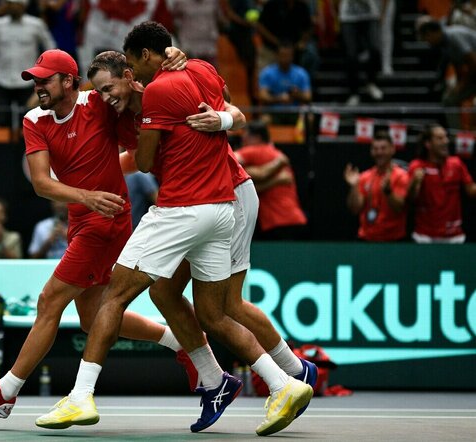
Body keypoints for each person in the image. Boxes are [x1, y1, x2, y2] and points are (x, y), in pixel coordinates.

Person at [35, 22, 313, 436]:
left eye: (117, 81)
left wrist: (219, 119)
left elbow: (214, 119)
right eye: (101, 92)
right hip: (213, 203)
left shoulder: (162, 90)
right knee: (178, 297)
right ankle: (243, 381)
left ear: (135, 69)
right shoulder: (158, 90)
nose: (106, 98)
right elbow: (146, 146)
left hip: (218, 195)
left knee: (204, 305)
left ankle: (294, 370)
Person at [0, 47, 193, 421]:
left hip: (108, 218)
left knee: (50, 301)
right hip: (82, 217)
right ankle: (182, 341)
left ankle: (6, 390)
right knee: (91, 318)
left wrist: (175, 60)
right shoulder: (34, 118)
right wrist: (86, 197)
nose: (38, 85)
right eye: (35, 80)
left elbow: (135, 98)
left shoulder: (97, 102)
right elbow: (41, 184)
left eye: (45, 79)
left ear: (68, 80)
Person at [0, 0, 55, 134]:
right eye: (10, 3)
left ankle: (25, 151)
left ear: (23, 6)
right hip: (2, 79)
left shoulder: (36, 24)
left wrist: (44, 70)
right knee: (3, 119)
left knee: (28, 119)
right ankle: (4, 152)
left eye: (16, 4)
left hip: (28, 80)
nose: (13, 7)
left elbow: (50, 46)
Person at [235, 122, 307, 240]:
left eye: (245, 137)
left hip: (279, 222)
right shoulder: (277, 154)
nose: (243, 142)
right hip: (295, 220)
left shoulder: (253, 150)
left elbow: (228, 159)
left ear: (256, 138)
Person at [407, 124, 476, 243]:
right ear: (428, 144)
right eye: (440, 138)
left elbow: (471, 190)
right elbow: (411, 199)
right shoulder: (417, 166)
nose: (445, 141)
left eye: (445, 137)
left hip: (454, 236)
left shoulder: (456, 164)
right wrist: (415, 183)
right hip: (425, 236)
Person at [344, 131, 409, 242]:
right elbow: (355, 209)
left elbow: (400, 208)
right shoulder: (364, 176)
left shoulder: (401, 176)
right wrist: (354, 186)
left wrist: (388, 192)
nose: (379, 152)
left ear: (392, 149)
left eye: (383, 148)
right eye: (375, 149)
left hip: (394, 240)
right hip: (367, 239)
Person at [417, 18, 476, 130]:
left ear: (432, 33)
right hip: (472, 77)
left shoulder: (454, 35)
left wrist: (462, 85)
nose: (427, 43)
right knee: (449, 100)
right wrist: (458, 86)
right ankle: (457, 134)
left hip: (473, 73)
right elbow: (458, 66)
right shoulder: (445, 44)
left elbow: (473, 63)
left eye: (427, 38)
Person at [256, 0, 320, 81]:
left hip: (295, 47)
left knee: (311, 55)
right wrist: (276, 42)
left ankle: (306, 86)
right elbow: (260, 26)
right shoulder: (271, 5)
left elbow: (308, 27)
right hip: (271, 47)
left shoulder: (301, 6)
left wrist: (303, 41)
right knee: (264, 72)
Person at [339, 0, 384, 106]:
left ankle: (371, 83)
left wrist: (382, 13)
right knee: (351, 55)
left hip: (370, 14)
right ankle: (354, 93)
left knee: (375, 49)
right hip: (348, 15)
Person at [258, 42, 312, 125]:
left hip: (295, 112)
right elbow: (262, 96)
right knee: (264, 121)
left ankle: (307, 138)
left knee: (309, 118)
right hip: (274, 112)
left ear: (292, 56)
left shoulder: (301, 73)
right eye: (283, 55)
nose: (285, 59)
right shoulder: (267, 73)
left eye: (288, 56)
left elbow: (308, 96)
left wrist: (297, 94)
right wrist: (279, 98)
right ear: (277, 55)